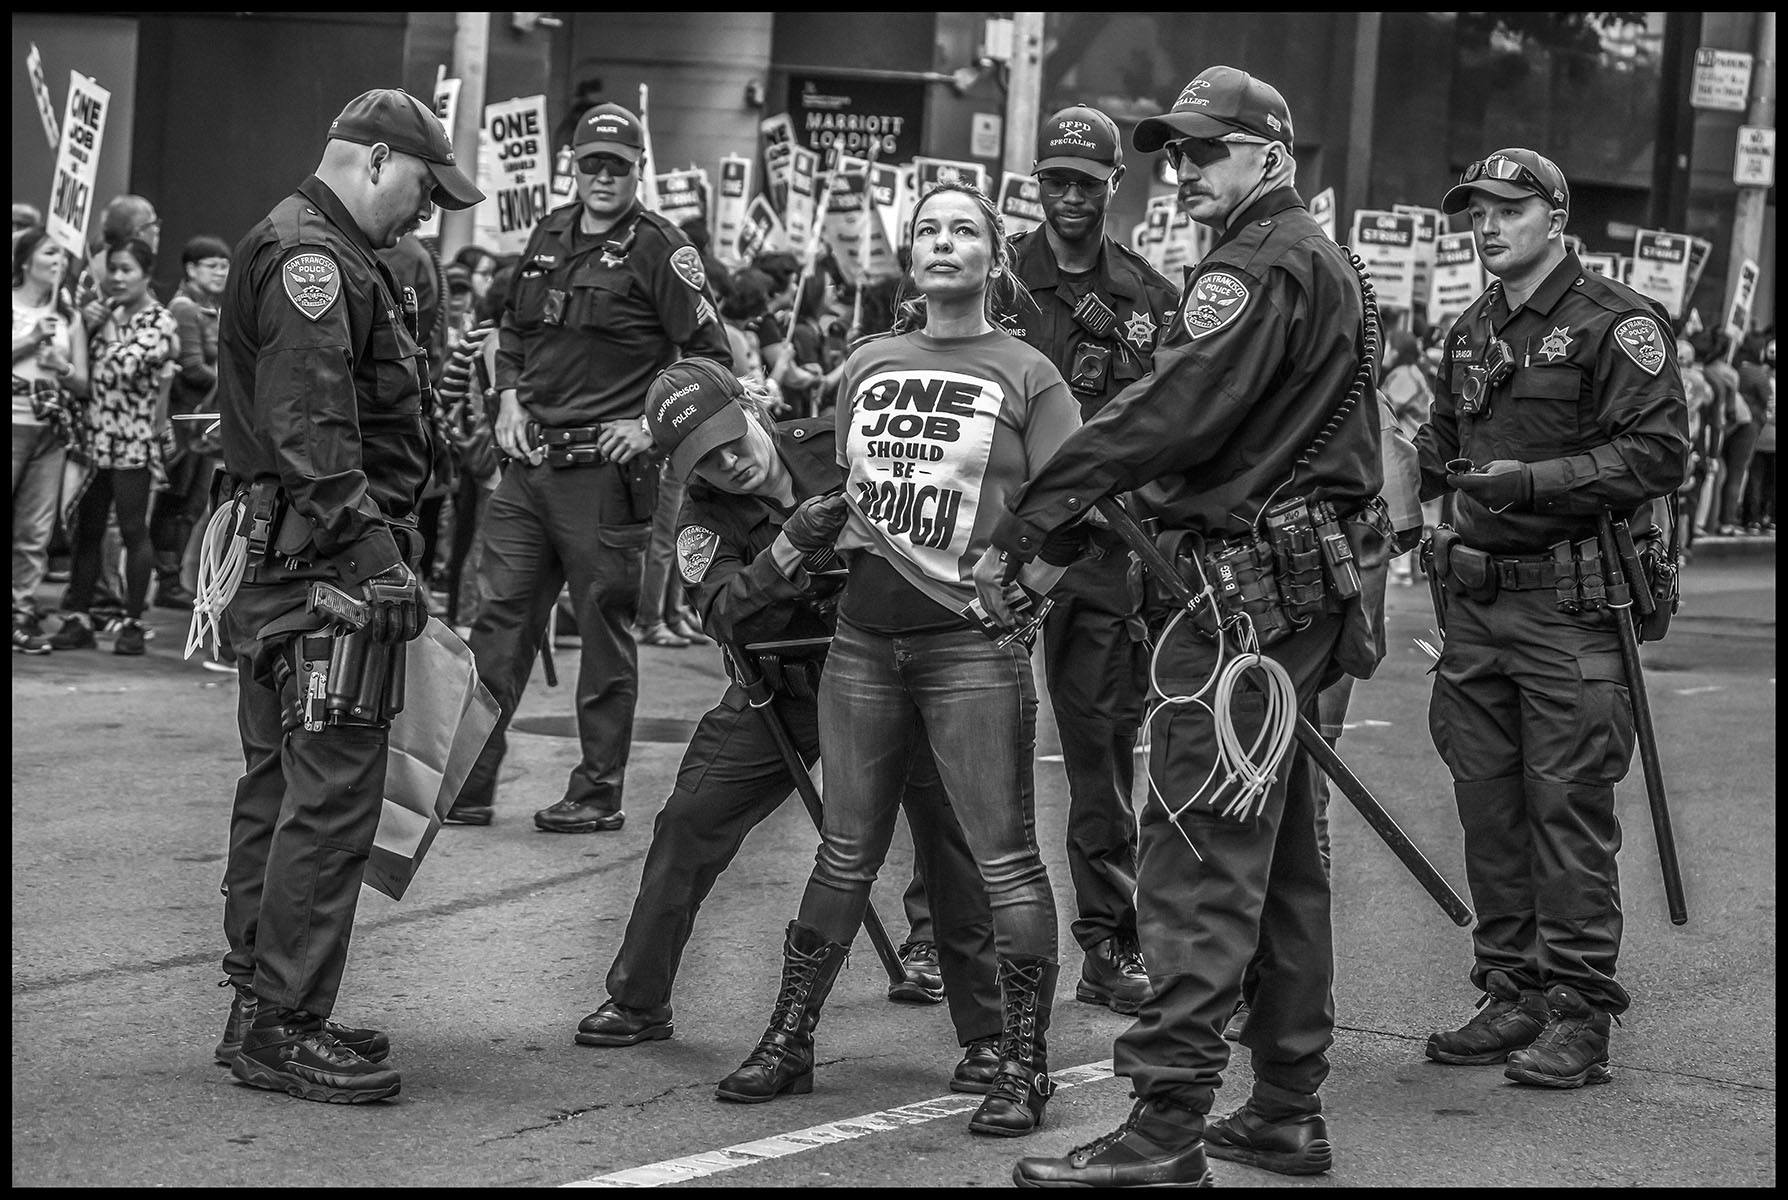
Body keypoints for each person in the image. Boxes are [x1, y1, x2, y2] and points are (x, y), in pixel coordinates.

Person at [992, 66, 1384, 1185]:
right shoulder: (1312, 256)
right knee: (1281, 861)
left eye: (1208, 149)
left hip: (1247, 604)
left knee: (1200, 855)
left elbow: (1168, 410)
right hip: (1288, 594)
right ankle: (1286, 1109)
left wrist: (1042, 513)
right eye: (1174, 151)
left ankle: (1166, 1124)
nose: (1183, 169)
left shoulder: (1253, 265)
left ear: (1272, 155)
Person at [716, 181, 1077, 1139]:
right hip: (862, 643)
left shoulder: (1032, 373)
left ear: (994, 258)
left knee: (1005, 861)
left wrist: (1031, 592)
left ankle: (1023, 1063)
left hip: (971, 649)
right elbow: (856, 489)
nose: (943, 242)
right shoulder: (869, 361)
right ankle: (790, 1039)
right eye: (927, 230)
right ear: (909, 255)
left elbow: (1079, 503)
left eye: (963, 230)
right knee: (844, 853)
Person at [576, 359, 1004, 1092]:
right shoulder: (704, 514)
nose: (729, 463)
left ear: (753, 408)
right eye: (705, 458)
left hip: (895, 672)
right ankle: (638, 998)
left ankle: (989, 1037)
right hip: (785, 688)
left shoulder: (847, 444)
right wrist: (787, 550)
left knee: (949, 840)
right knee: (688, 820)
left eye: (730, 439)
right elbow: (723, 614)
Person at [211, 86, 483, 1104]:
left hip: (293, 562)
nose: (427, 212)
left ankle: (259, 1006)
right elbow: (313, 427)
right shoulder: (313, 259)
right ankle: (282, 1023)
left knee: (282, 790)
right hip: (325, 570)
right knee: (327, 802)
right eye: (424, 188)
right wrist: (376, 560)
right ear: (375, 160)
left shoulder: (321, 248)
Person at [1415, 148, 1687, 1090]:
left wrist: (1534, 482)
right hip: (1476, 604)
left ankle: (1578, 1013)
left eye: (1508, 209)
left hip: (1570, 607)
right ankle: (1513, 993)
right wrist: (1401, 468)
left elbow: (1659, 453)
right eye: (1476, 212)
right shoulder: (1472, 327)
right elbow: (1442, 441)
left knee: (1566, 812)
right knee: (1488, 808)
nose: (1487, 226)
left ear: (1555, 218)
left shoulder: (1617, 323)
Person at [452, 101, 732, 832]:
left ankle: (597, 791)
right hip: (528, 465)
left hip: (604, 479)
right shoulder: (548, 233)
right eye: (592, 165)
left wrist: (650, 427)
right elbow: (513, 327)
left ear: (639, 170)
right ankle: (468, 787)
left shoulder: (662, 249)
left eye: (618, 166)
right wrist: (507, 397)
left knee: (604, 636)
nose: (604, 178)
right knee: (496, 626)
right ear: (572, 168)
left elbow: (711, 360)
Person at [990, 102, 1180, 1018]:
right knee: (962, 744)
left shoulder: (1153, 298)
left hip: (1101, 556)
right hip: (994, 547)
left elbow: (1173, 431)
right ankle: (939, 929)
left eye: (1086, 182)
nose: (1069, 197)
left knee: (1099, 758)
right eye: (1055, 181)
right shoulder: (993, 282)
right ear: (1037, 184)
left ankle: (1109, 944)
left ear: (1114, 185)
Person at [52, 238, 180, 657]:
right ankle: (79, 617)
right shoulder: (100, 313)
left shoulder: (159, 320)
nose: (117, 278)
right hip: (94, 440)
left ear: (146, 274)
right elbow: (81, 372)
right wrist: (86, 326)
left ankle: (133, 622)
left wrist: (101, 327)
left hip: (133, 441)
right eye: (112, 270)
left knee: (132, 530)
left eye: (127, 270)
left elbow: (124, 366)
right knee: (86, 530)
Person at [12, 227, 89, 653]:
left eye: (61, 256)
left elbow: (82, 383)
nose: (57, 262)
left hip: (50, 430)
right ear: (25, 260)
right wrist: (29, 341)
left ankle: (21, 611)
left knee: (34, 530)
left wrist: (60, 365)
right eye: (48, 253)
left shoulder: (68, 315)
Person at [149, 236, 232, 613]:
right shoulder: (184, 308)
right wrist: (236, 384)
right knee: (176, 500)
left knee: (193, 503)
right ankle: (165, 580)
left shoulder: (212, 308)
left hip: (203, 423)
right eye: (212, 265)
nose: (220, 272)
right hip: (184, 421)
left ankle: (170, 579)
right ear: (191, 268)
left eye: (224, 265)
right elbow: (193, 368)